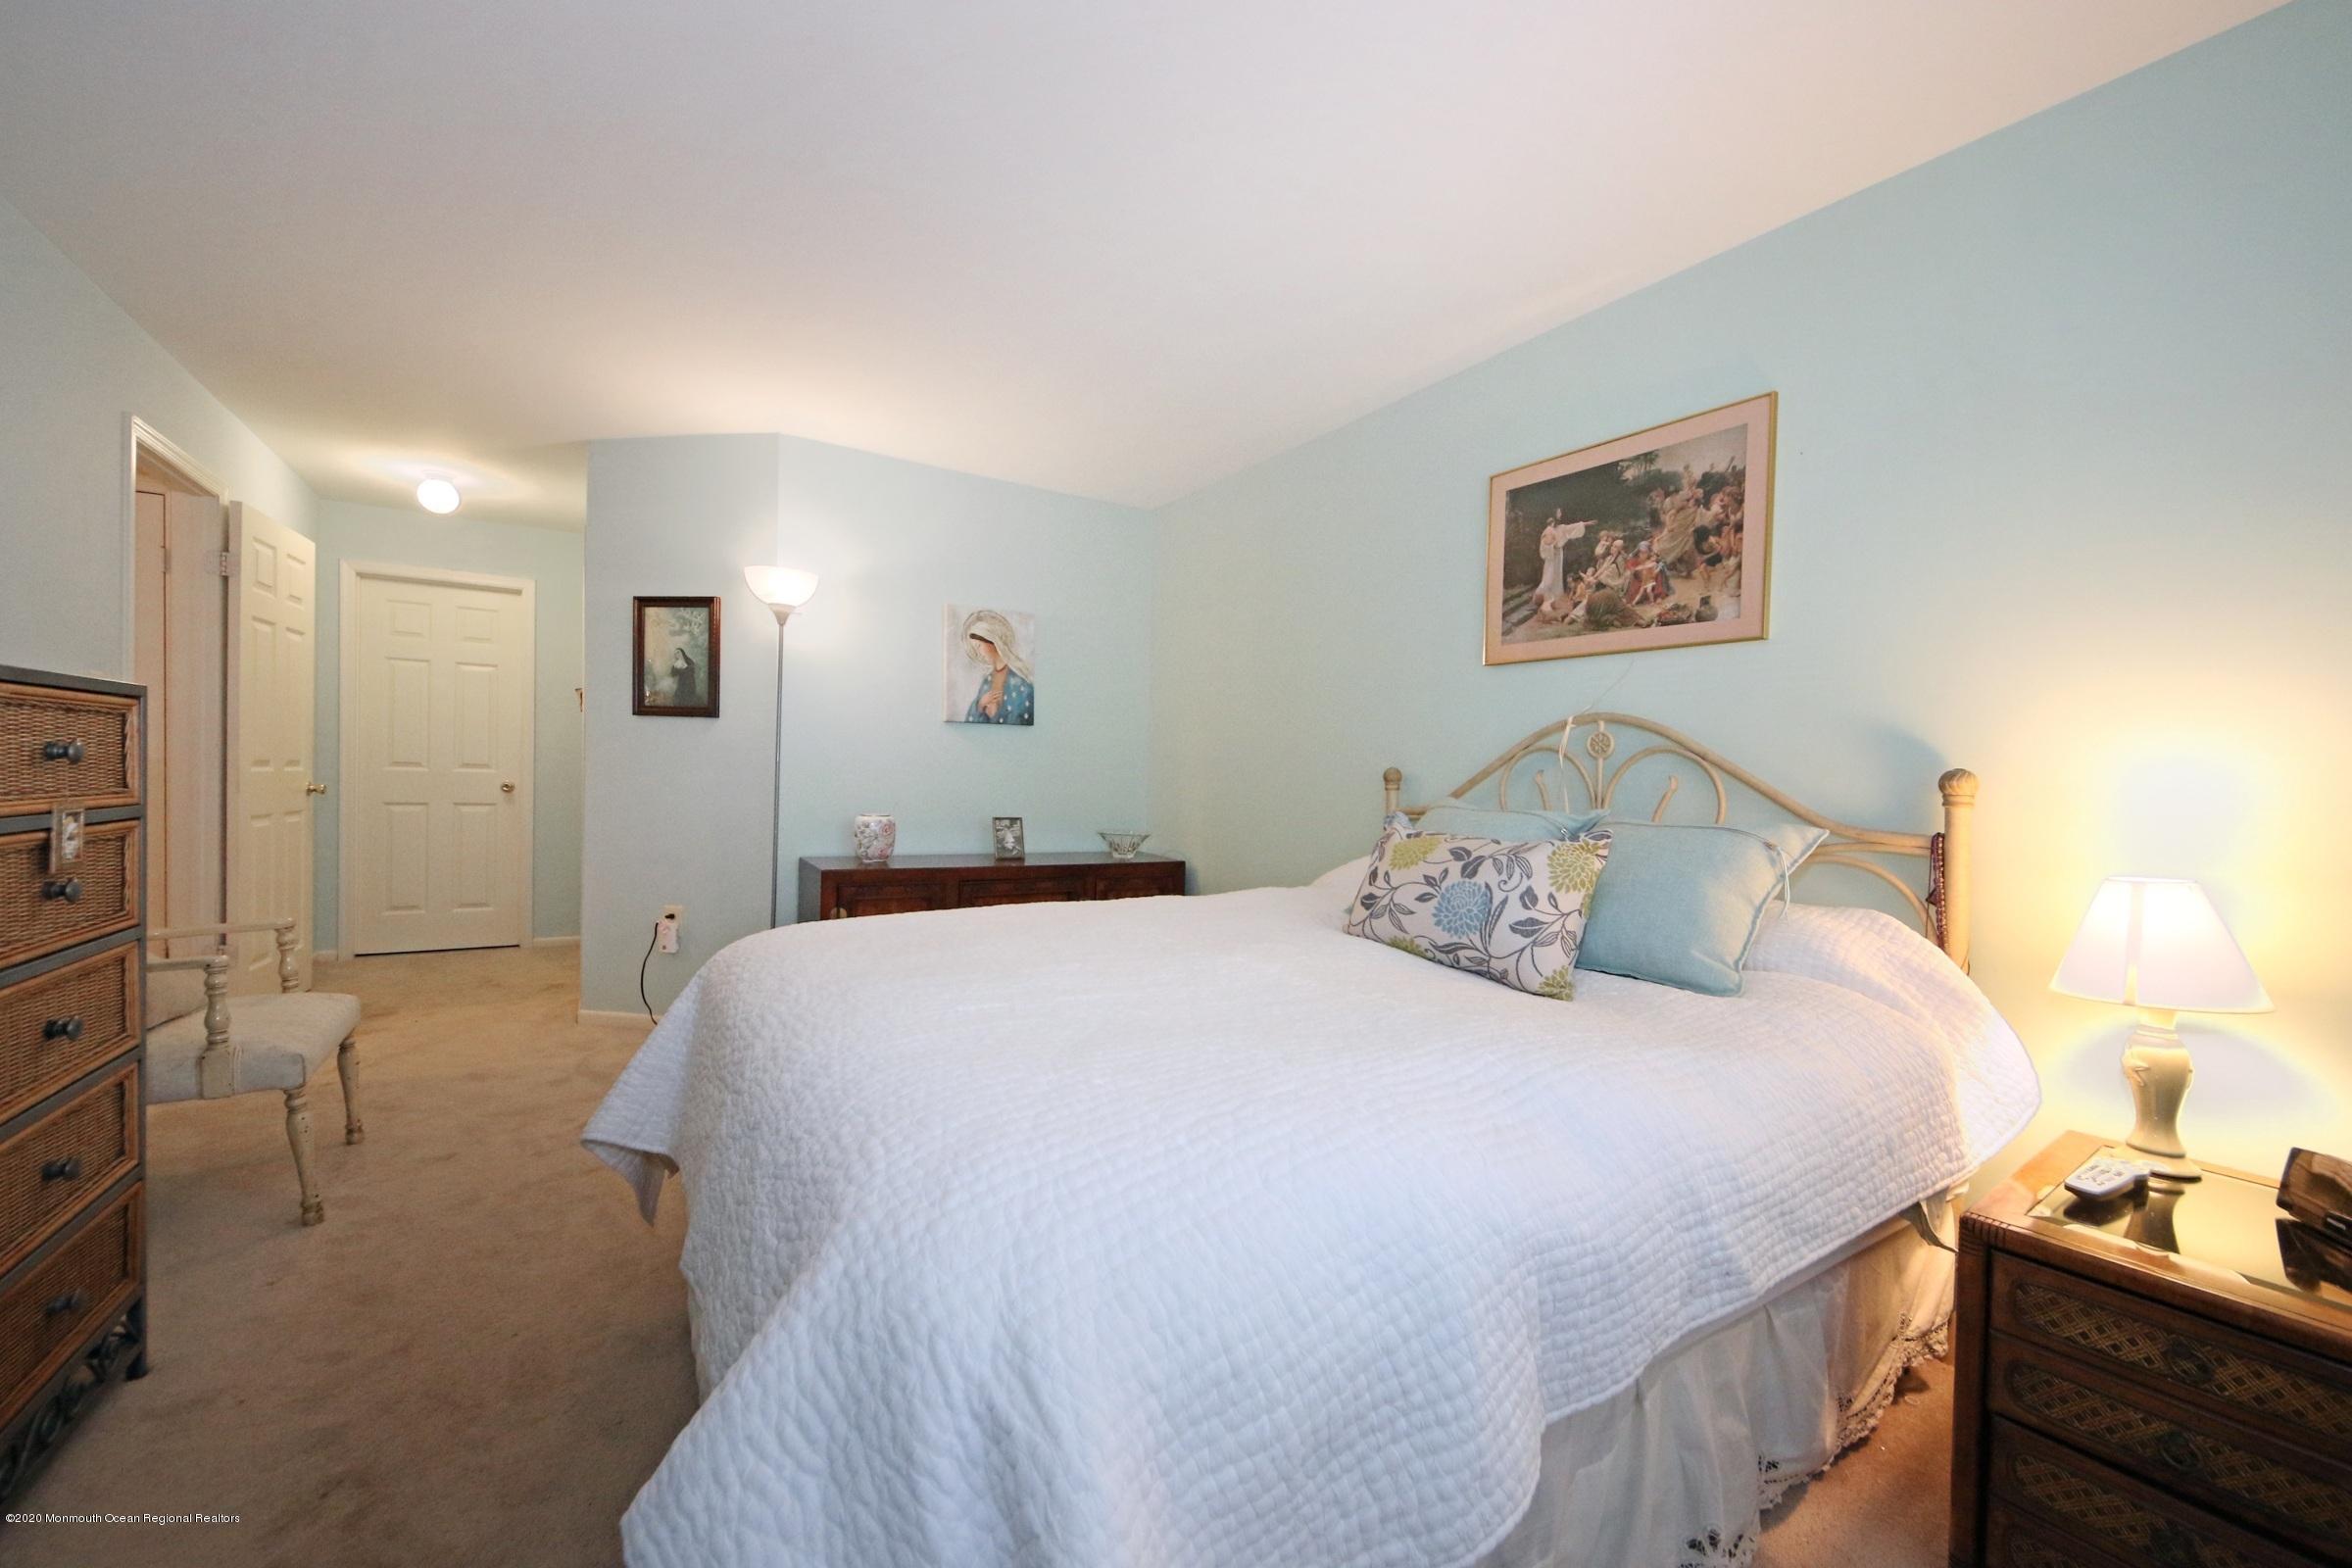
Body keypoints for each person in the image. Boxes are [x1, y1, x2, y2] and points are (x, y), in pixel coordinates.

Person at [960, 609, 1035, 724]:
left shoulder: (1021, 682)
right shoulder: (987, 681)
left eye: (978, 646)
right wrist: (980, 705)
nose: (978, 653)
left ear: (992, 640)